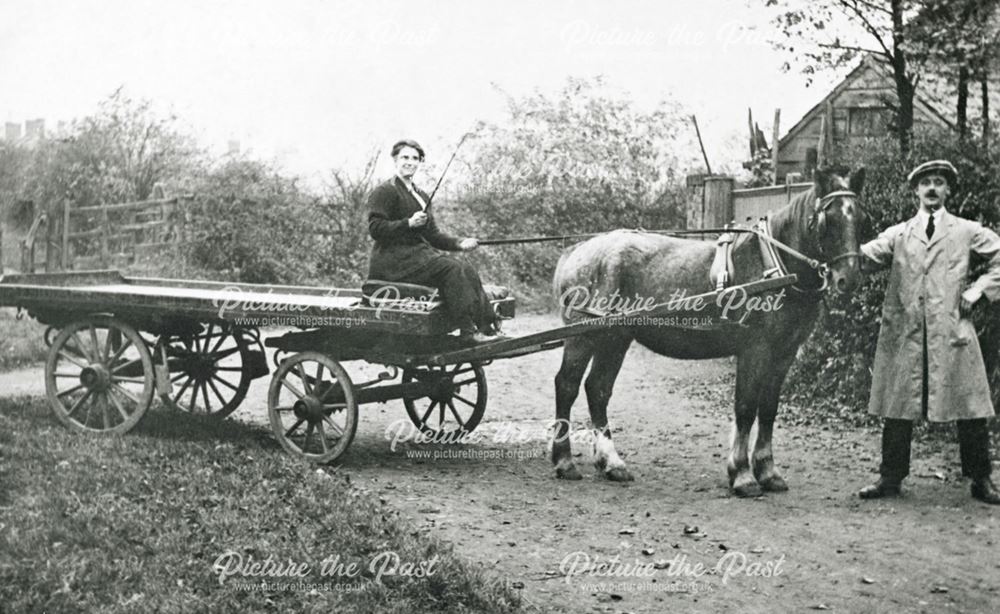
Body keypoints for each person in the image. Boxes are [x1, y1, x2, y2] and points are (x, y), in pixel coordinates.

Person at [858, 160, 1000, 504]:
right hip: (906, 331)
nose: (932, 188)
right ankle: (890, 478)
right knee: (897, 404)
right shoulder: (899, 234)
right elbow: (861, 257)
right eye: (925, 183)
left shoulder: (967, 230)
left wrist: (977, 290)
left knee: (969, 405)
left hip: (952, 330)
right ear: (916, 192)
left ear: (948, 190)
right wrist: (837, 253)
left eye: (938, 182)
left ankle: (981, 480)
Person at [366, 139, 502, 342]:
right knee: (451, 269)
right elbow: (375, 229)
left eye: (415, 158)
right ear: (395, 159)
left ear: (420, 162)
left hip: (417, 258)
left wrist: (460, 243)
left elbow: (433, 236)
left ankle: (486, 326)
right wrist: (408, 223)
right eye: (405, 157)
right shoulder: (385, 191)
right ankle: (467, 331)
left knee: (465, 267)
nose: (410, 162)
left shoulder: (421, 195)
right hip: (392, 262)